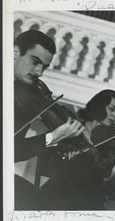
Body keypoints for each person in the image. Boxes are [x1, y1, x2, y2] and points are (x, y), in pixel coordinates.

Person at [39, 89, 115, 210]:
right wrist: (63, 157)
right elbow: (45, 166)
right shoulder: (71, 128)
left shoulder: (112, 138)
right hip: (57, 195)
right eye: (111, 109)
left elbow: (107, 176)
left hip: (87, 200)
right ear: (98, 106)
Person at [14, 30, 85, 209]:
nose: (40, 72)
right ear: (15, 53)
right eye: (35, 62)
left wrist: (58, 146)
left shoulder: (25, 95)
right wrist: (52, 137)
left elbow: (14, 150)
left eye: (44, 67)